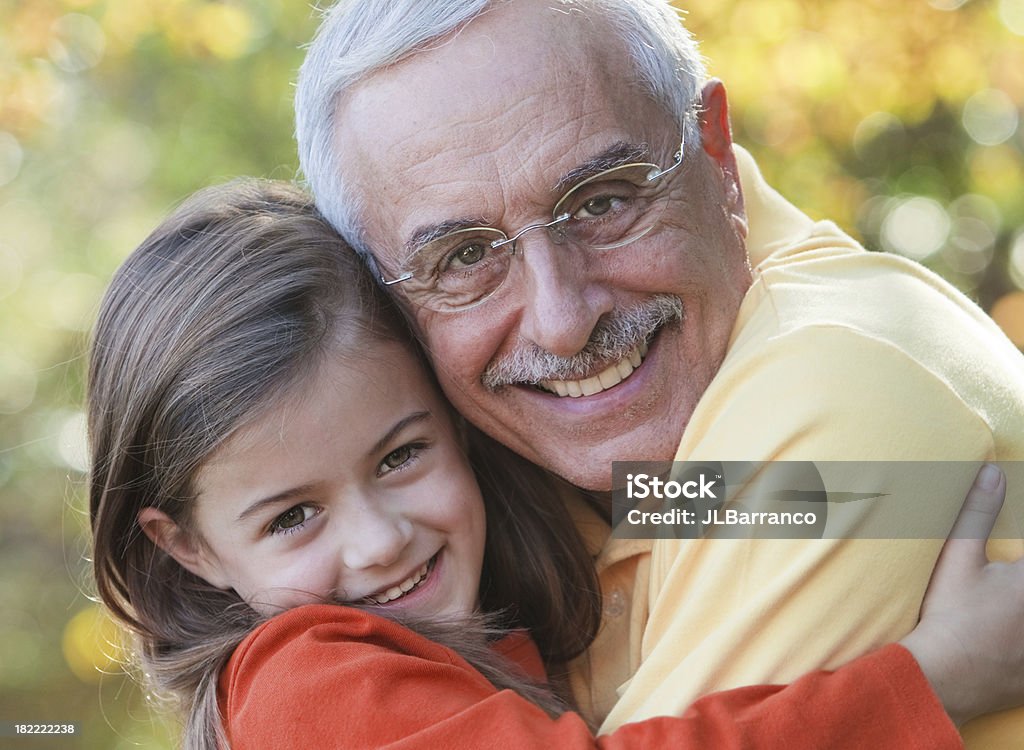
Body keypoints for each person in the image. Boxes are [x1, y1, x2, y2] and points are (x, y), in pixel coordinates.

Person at [293, 1, 1024, 744]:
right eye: (467, 257)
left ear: (714, 150)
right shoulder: (583, 481)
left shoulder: (841, 392)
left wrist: (931, 680)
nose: (562, 319)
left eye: (602, 201)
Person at [88, 179, 1020, 750]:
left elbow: (709, 503)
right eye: (292, 517)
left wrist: (916, 493)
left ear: (453, 411)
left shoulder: (516, 544)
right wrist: (936, 679)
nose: (378, 541)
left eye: (402, 456)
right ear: (189, 548)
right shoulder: (309, 682)